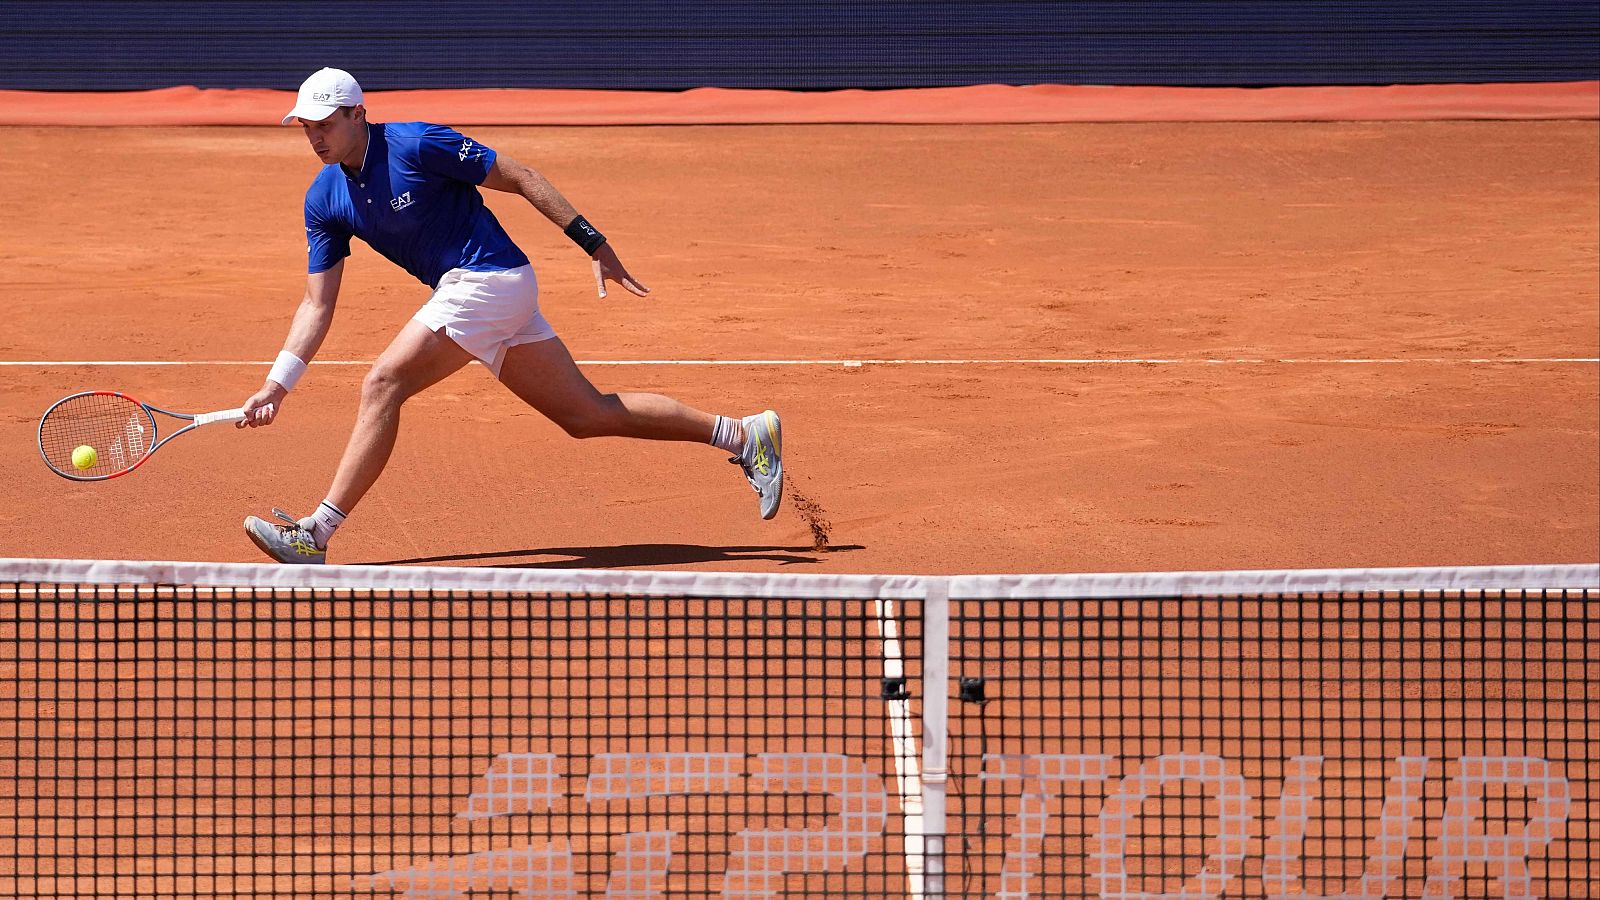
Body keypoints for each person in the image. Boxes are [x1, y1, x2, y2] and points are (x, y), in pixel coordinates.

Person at [239, 67, 781, 564]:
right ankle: (743, 435)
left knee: (383, 383)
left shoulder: (417, 142)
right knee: (586, 415)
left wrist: (591, 241)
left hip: (488, 277)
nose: (314, 136)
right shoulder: (324, 197)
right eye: (305, 126)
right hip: (482, 293)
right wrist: (277, 385)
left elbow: (519, 175)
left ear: (358, 114)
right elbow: (318, 303)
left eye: (324, 123)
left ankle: (315, 534)